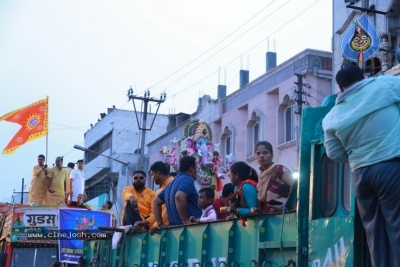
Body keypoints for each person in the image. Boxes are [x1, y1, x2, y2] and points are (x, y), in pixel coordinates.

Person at [322, 65, 400, 267]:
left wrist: (359, 154)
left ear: (340, 87)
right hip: (390, 166)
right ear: (363, 76)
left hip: (360, 176)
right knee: (397, 224)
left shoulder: (331, 117)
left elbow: (333, 153)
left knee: (374, 232)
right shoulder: (385, 85)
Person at [153, 156, 202, 227]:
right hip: (189, 230)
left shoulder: (171, 183)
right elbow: (179, 197)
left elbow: (155, 202)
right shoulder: (188, 179)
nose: (196, 172)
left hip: (175, 229)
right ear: (192, 169)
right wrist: (185, 220)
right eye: (196, 168)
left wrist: (160, 224)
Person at [254, 141, 294, 213]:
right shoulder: (261, 175)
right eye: (258, 153)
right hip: (270, 219)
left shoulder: (279, 169)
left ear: (272, 155)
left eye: (265, 152)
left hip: (285, 217)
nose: (261, 156)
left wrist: (285, 205)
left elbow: (298, 187)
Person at [134, 161, 174, 233]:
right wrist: (146, 222)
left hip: (172, 227)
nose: (152, 177)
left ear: (158, 173)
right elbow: (158, 212)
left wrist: (157, 225)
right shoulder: (162, 189)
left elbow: (166, 212)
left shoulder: (172, 184)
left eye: (152, 174)